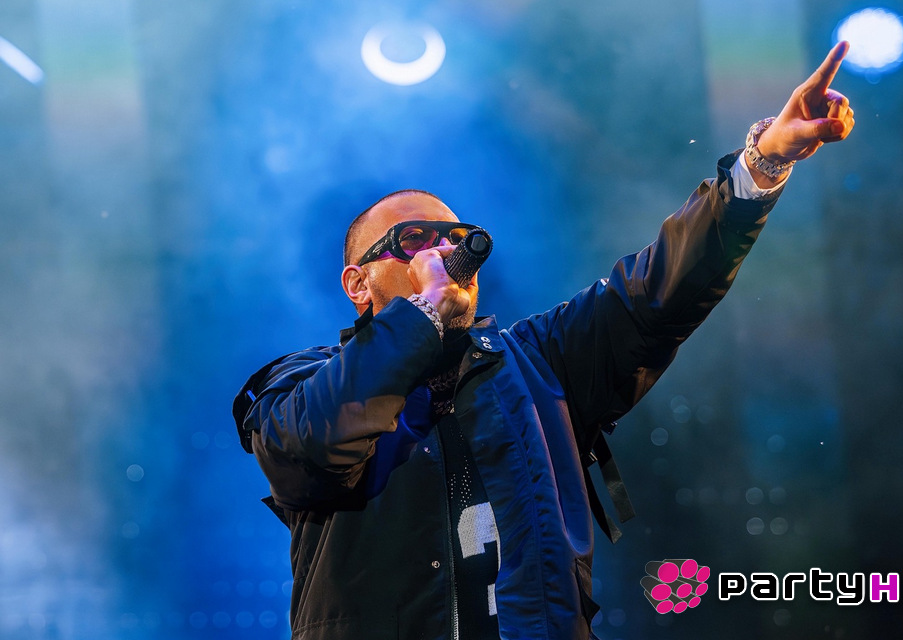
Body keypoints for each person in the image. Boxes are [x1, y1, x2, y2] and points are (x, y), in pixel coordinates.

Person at [233, 43, 855, 640]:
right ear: (357, 283)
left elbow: (655, 292)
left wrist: (762, 163)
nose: (444, 250)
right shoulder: (302, 383)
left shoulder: (537, 362)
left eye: (454, 237)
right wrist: (422, 316)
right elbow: (308, 450)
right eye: (414, 240)